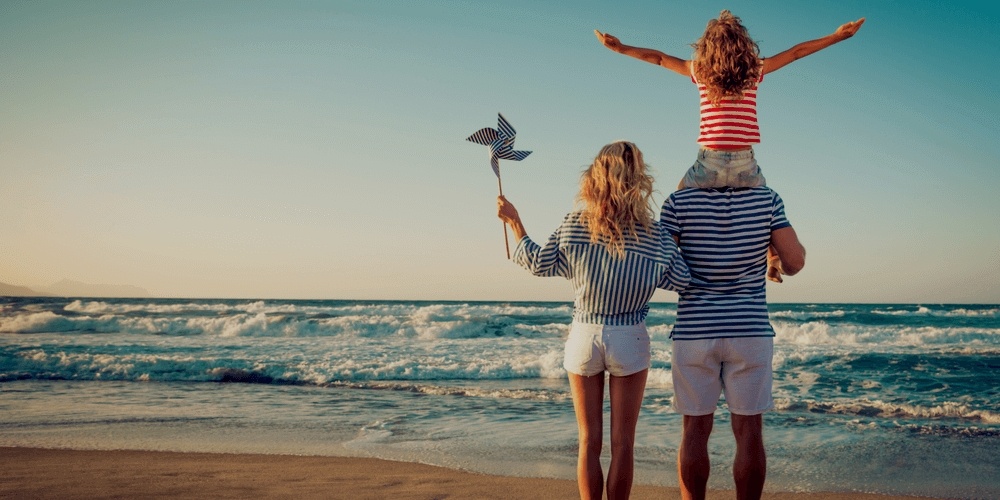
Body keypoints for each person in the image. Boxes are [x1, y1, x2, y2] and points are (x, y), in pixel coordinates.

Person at [595, 10, 862, 281]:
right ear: (743, 45)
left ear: (707, 47)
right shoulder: (754, 70)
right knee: (768, 214)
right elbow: (796, 52)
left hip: (708, 163)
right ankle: (772, 257)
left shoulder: (699, 71)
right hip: (745, 165)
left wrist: (622, 49)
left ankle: (665, 263)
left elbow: (660, 58)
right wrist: (837, 37)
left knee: (677, 202)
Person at [497, 140, 690, 500]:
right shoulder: (656, 235)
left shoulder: (575, 225)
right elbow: (682, 280)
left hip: (584, 335)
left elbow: (540, 263)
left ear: (595, 177)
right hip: (630, 336)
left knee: (589, 441)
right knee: (623, 444)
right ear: (638, 179)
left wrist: (515, 223)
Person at [659, 184, 806, 500]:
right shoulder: (767, 200)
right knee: (750, 433)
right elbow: (794, 262)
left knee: (694, 433)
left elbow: (666, 271)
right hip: (748, 331)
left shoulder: (677, 202)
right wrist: (772, 252)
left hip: (694, 332)